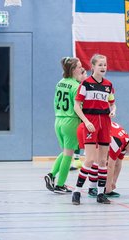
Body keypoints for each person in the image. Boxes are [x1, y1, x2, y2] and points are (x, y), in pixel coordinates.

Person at [71, 54, 116, 205]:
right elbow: (77, 106)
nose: (103, 67)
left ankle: (101, 194)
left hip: (105, 122)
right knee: (90, 159)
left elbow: (112, 103)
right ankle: (76, 192)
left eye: (105, 65)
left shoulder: (108, 85)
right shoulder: (86, 84)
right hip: (91, 121)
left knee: (103, 160)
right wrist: (86, 121)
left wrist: (113, 109)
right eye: (100, 65)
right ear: (93, 67)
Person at [77, 121, 129, 198]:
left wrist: (113, 182)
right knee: (95, 160)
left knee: (101, 160)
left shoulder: (126, 142)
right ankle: (92, 188)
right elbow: (110, 166)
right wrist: (108, 187)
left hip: (95, 131)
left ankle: (99, 188)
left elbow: (118, 164)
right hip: (87, 129)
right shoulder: (118, 142)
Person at [44, 57, 85, 194]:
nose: (82, 69)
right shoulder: (76, 86)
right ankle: (60, 184)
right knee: (69, 155)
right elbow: (79, 107)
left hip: (59, 120)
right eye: (79, 67)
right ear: (73, 70)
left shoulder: (60, 82)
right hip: (71, 121)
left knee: (66, 151)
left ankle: (51, 175)